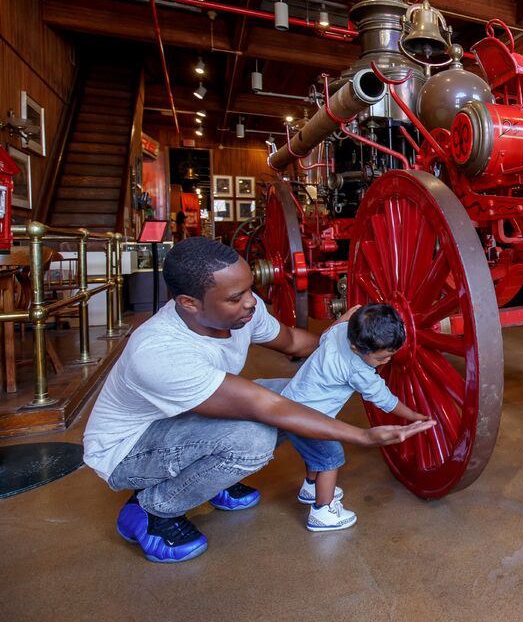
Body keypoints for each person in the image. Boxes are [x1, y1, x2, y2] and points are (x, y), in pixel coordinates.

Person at [82, 238, 434, 564]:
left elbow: (294, 343)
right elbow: (267, 408)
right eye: (236, 297)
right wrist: (361, 436)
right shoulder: (158, 352)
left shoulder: (242, 311)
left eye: (250, 288)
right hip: (129, 449)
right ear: (189, 303)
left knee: (297, 391)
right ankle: (153, 509)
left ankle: (210, 478)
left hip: (180, 418)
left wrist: (341, 343)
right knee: (254, 441)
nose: (251, 301)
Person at [281, 303, 429, 532]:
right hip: (310, 418)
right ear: (355, 348)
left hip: (290, 403)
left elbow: (331, 329)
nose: (386, 362)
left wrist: (349, 314)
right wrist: (413, 415)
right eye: (381, 359)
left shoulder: (340, 332)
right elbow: (385, 400)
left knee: (315, 455)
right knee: (330, 458)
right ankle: (323, 511)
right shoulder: (357, 370)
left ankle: (311, 487)